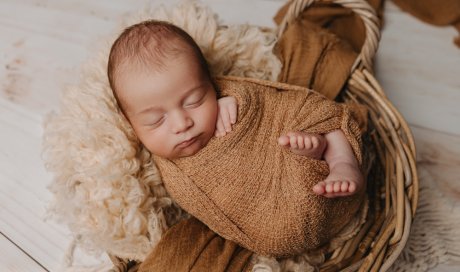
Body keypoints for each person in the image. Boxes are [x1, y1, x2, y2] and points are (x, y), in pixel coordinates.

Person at [107, 20, 365, 256]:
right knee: (277, 230)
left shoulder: (229, 98)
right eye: (156, 121)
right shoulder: (167, 170)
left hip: (292, 150)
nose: (181, 124)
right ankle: (309, 160)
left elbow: (278, 105)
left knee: (319, 117)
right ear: (131, 123)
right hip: (279, 217)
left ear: (211, 83)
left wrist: (236, 101)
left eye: (194, 101)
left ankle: (341, 161)